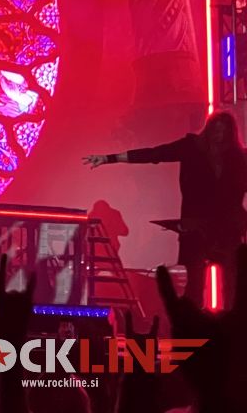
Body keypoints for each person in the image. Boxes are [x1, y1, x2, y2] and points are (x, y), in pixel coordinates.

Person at [84, 110, 247, 305]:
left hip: (227, 230)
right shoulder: (192, 147)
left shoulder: (238, 158)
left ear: (230, 134)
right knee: (195, 288)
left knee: (233, 289)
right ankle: (193, 321)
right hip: (197, 229)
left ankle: (229, 322)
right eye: (216, 131)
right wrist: (110, 158)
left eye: (223, 132)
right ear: (209, 130)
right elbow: (155, 154)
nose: (219, 136)